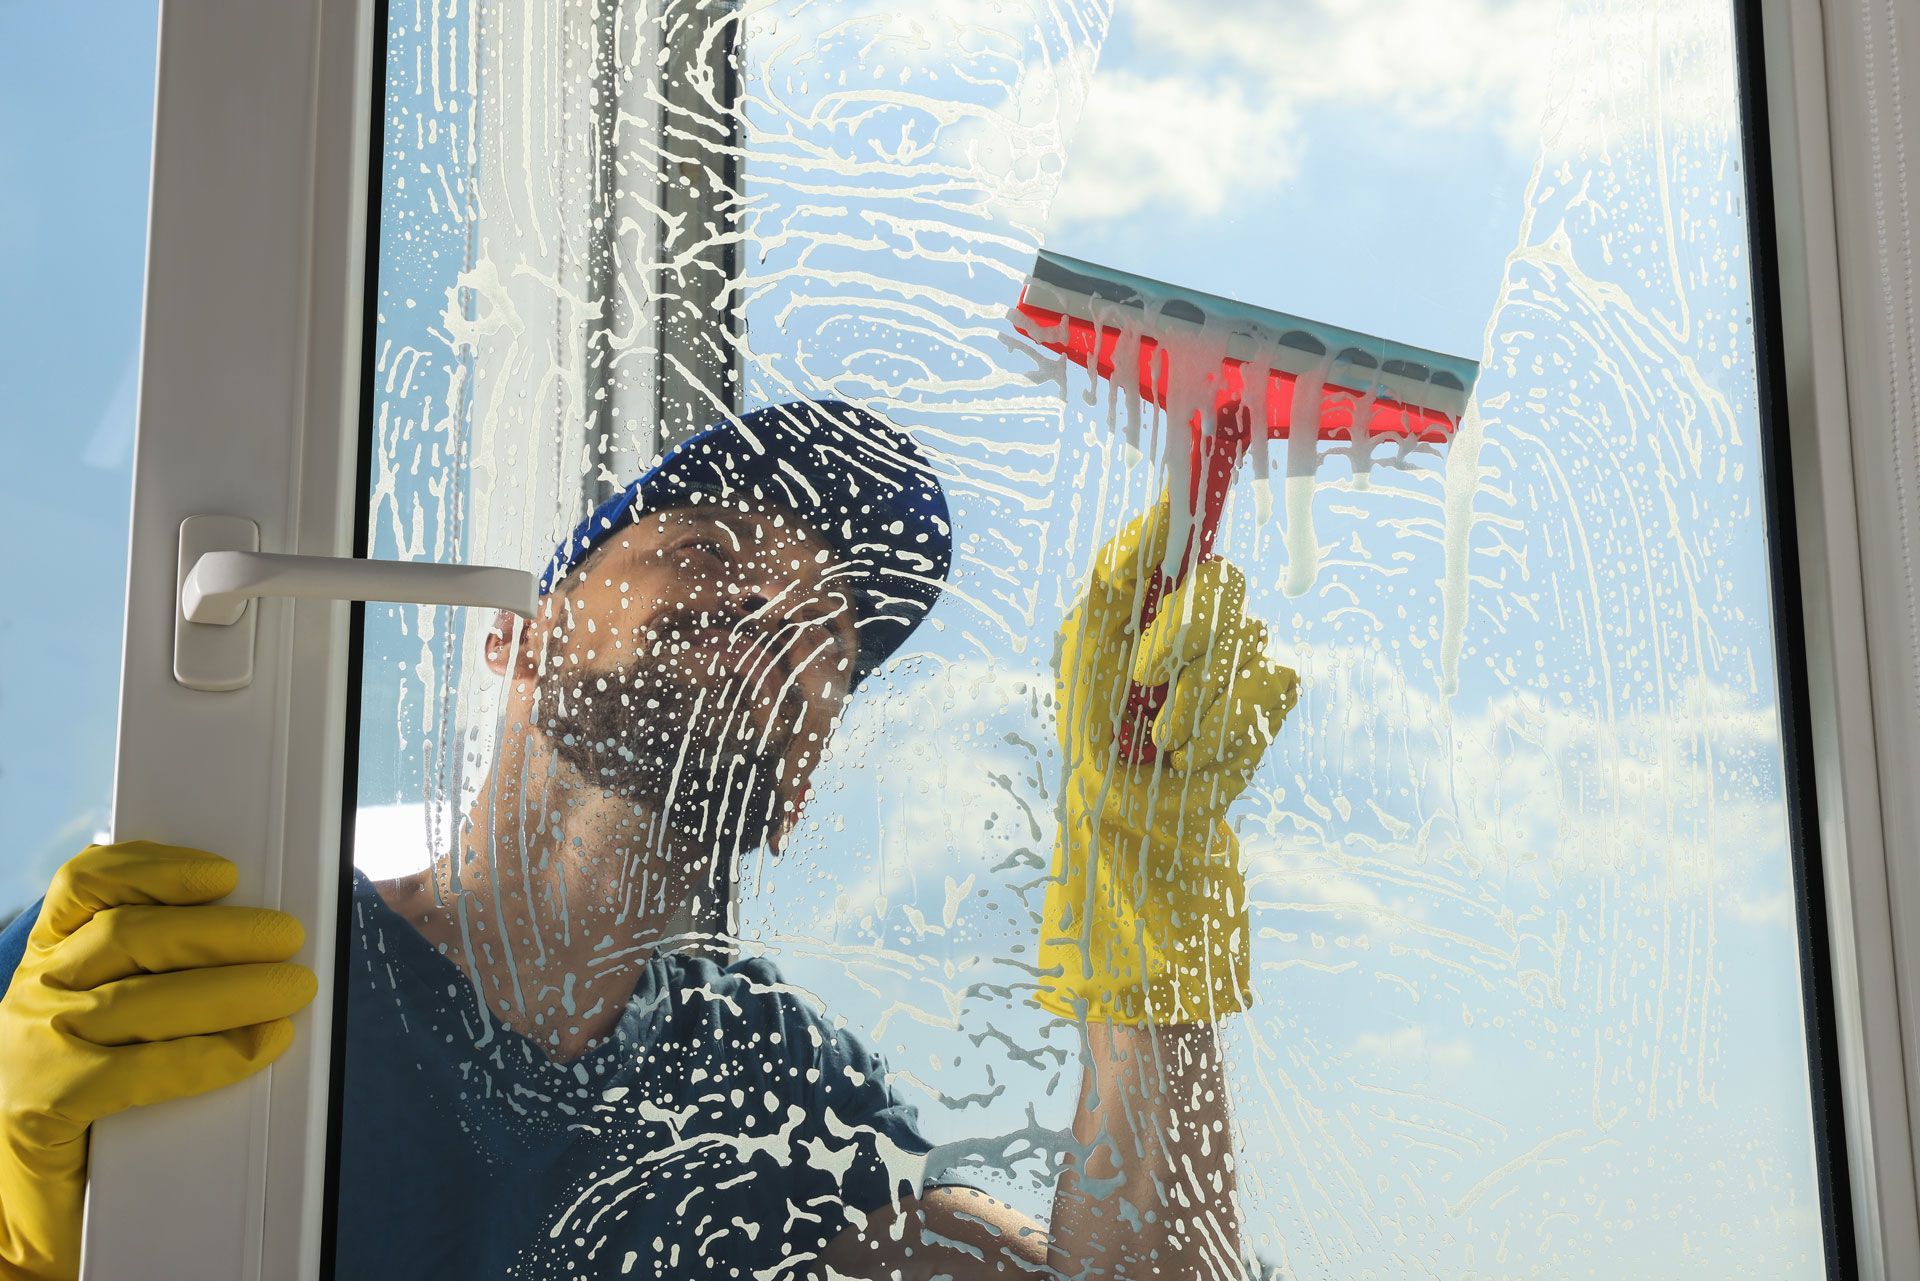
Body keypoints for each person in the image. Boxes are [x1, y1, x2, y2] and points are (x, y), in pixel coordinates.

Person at [0, 398, 1298, 1279]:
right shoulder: (176, 953)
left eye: (824, 633)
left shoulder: (773, 1084)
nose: (771, 604)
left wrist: (1147, 897)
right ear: (514, 634)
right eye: (710, 543)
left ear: (797, 784)